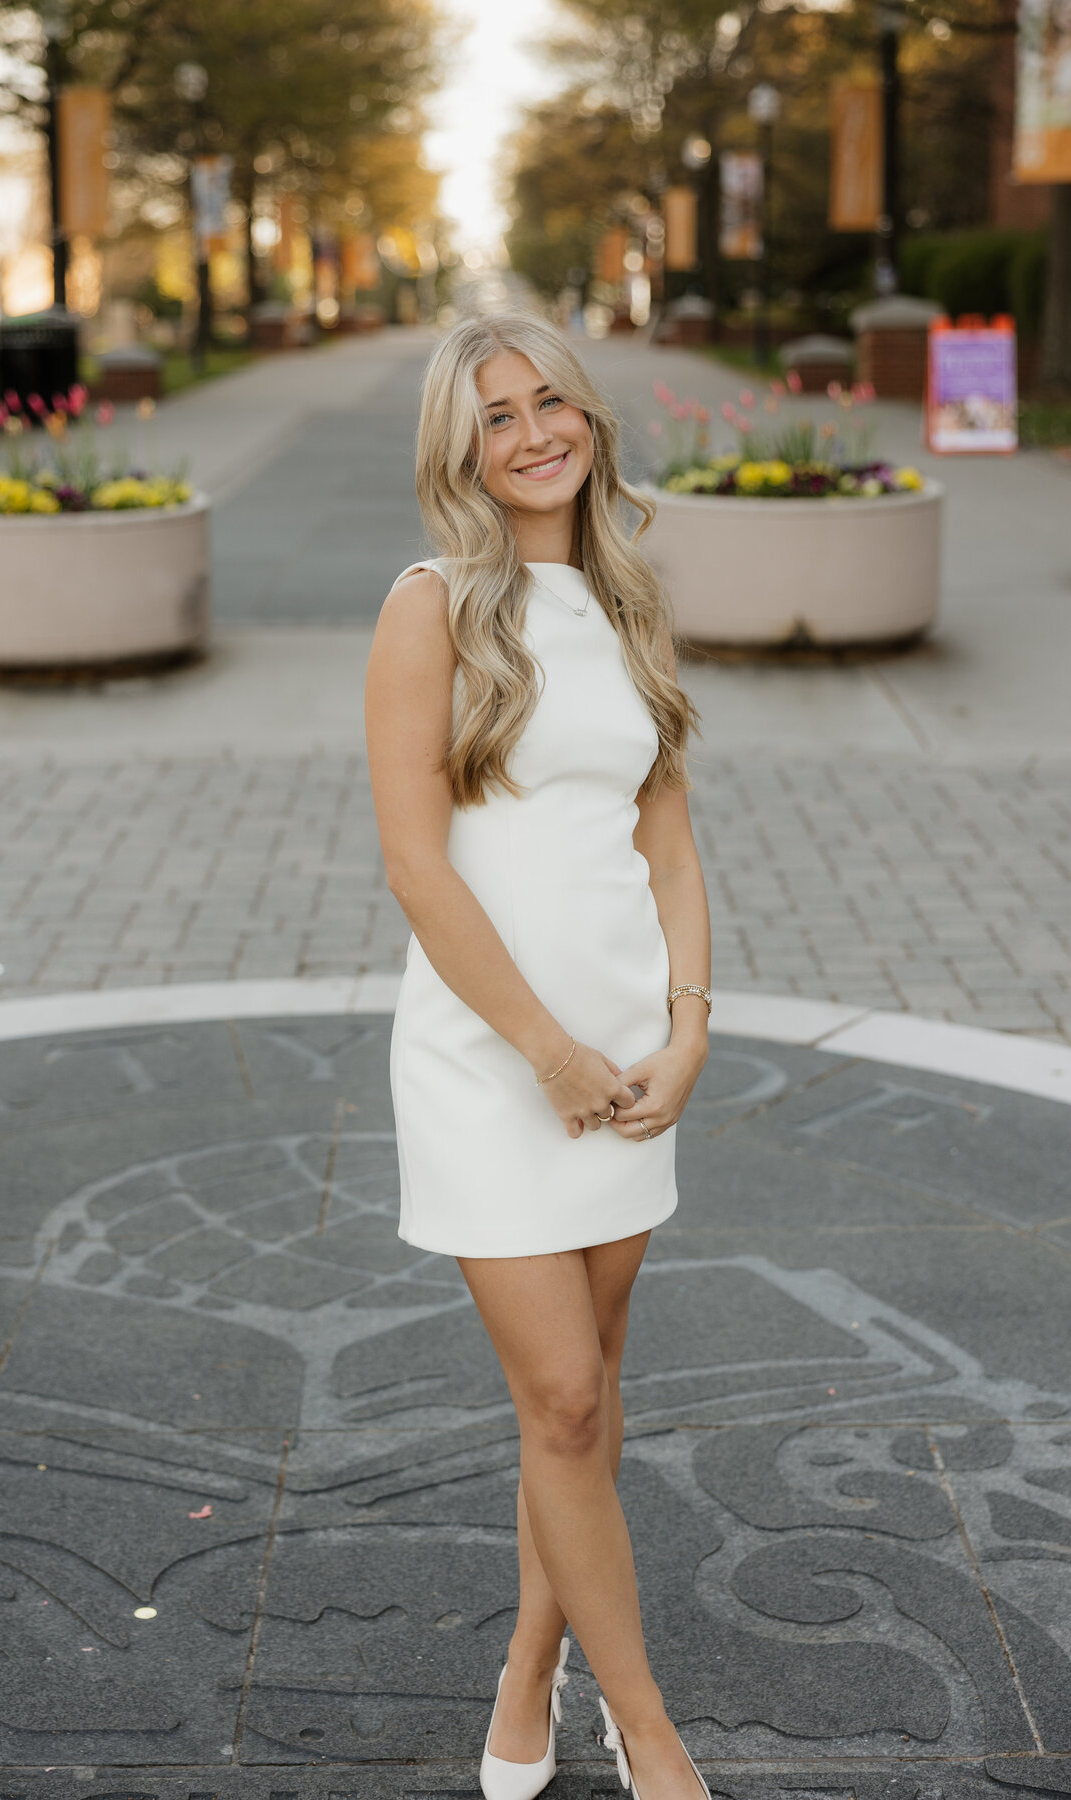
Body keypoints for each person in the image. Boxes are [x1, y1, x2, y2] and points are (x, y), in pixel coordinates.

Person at [364, 312, 713, 1800]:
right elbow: (418, 868)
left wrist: (689, 1026)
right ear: (461, 449)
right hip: (491, 1062)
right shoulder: (431, 605)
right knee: (563, 1399)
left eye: (549, 401)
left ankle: (530, 1662)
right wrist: (547, 1052)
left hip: (633, 1059)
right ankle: (648, 1729)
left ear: (589, 416)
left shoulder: (629, 597)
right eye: (495, 416)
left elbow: (668, 833)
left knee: (581, 1397)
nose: (531, 434)